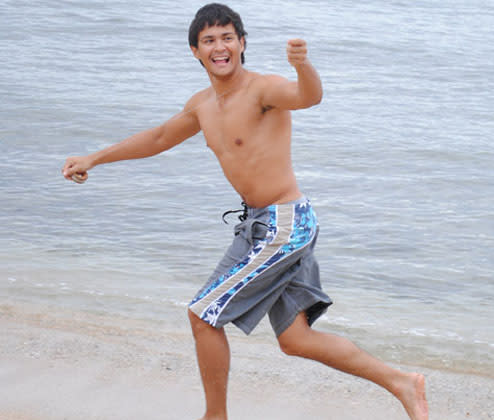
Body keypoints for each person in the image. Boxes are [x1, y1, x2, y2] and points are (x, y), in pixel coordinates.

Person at [61, 3, 428, 420]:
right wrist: (95, 157)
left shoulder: (263, 90)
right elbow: (159, 137)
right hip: (259, 226)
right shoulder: (202, 105)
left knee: (203, 315)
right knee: (296, 340)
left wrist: (302, 65)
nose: (220, 47)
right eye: (209, 40)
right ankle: (402, 383)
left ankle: (214, 416)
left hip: (285, 223)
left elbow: (308, 96)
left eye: (227, 37)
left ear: (242, 43)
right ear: (195, 52)